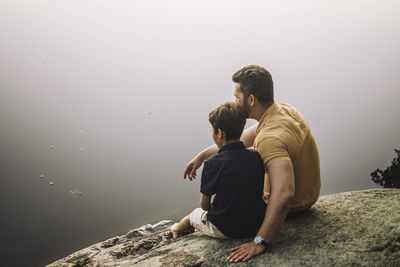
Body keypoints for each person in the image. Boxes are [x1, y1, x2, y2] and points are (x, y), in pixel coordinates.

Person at [183, 65, 321, 262]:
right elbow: (244, 139)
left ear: (251, 100)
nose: (235, 102)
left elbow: (284, 194)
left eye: (236, 97)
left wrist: (259, 241)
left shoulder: (269, 138)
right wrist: (202, 157)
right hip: (310, 194)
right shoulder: (283, 111)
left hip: (296, 206)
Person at [171, 102, 266, 240]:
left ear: (219, 133)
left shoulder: (212, 164)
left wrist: (218, 210)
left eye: (212, 130)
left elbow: (204, 205)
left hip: (227, 229)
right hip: (255, 225)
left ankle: (176, 229)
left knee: (194, 215)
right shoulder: (256, 156)